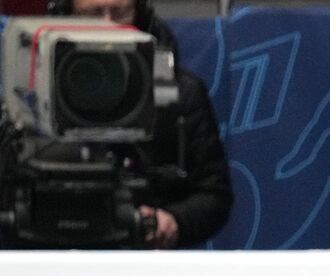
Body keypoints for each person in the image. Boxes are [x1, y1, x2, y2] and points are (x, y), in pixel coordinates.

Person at [57, 0, 232, 248]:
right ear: (66, 16)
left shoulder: (181, 94)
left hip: (144, 263)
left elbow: (213, 195)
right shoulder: (27, 97)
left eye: (119, 13)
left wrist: (174, 220)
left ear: (140, 15)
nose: (108, 25)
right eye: (93, 14)